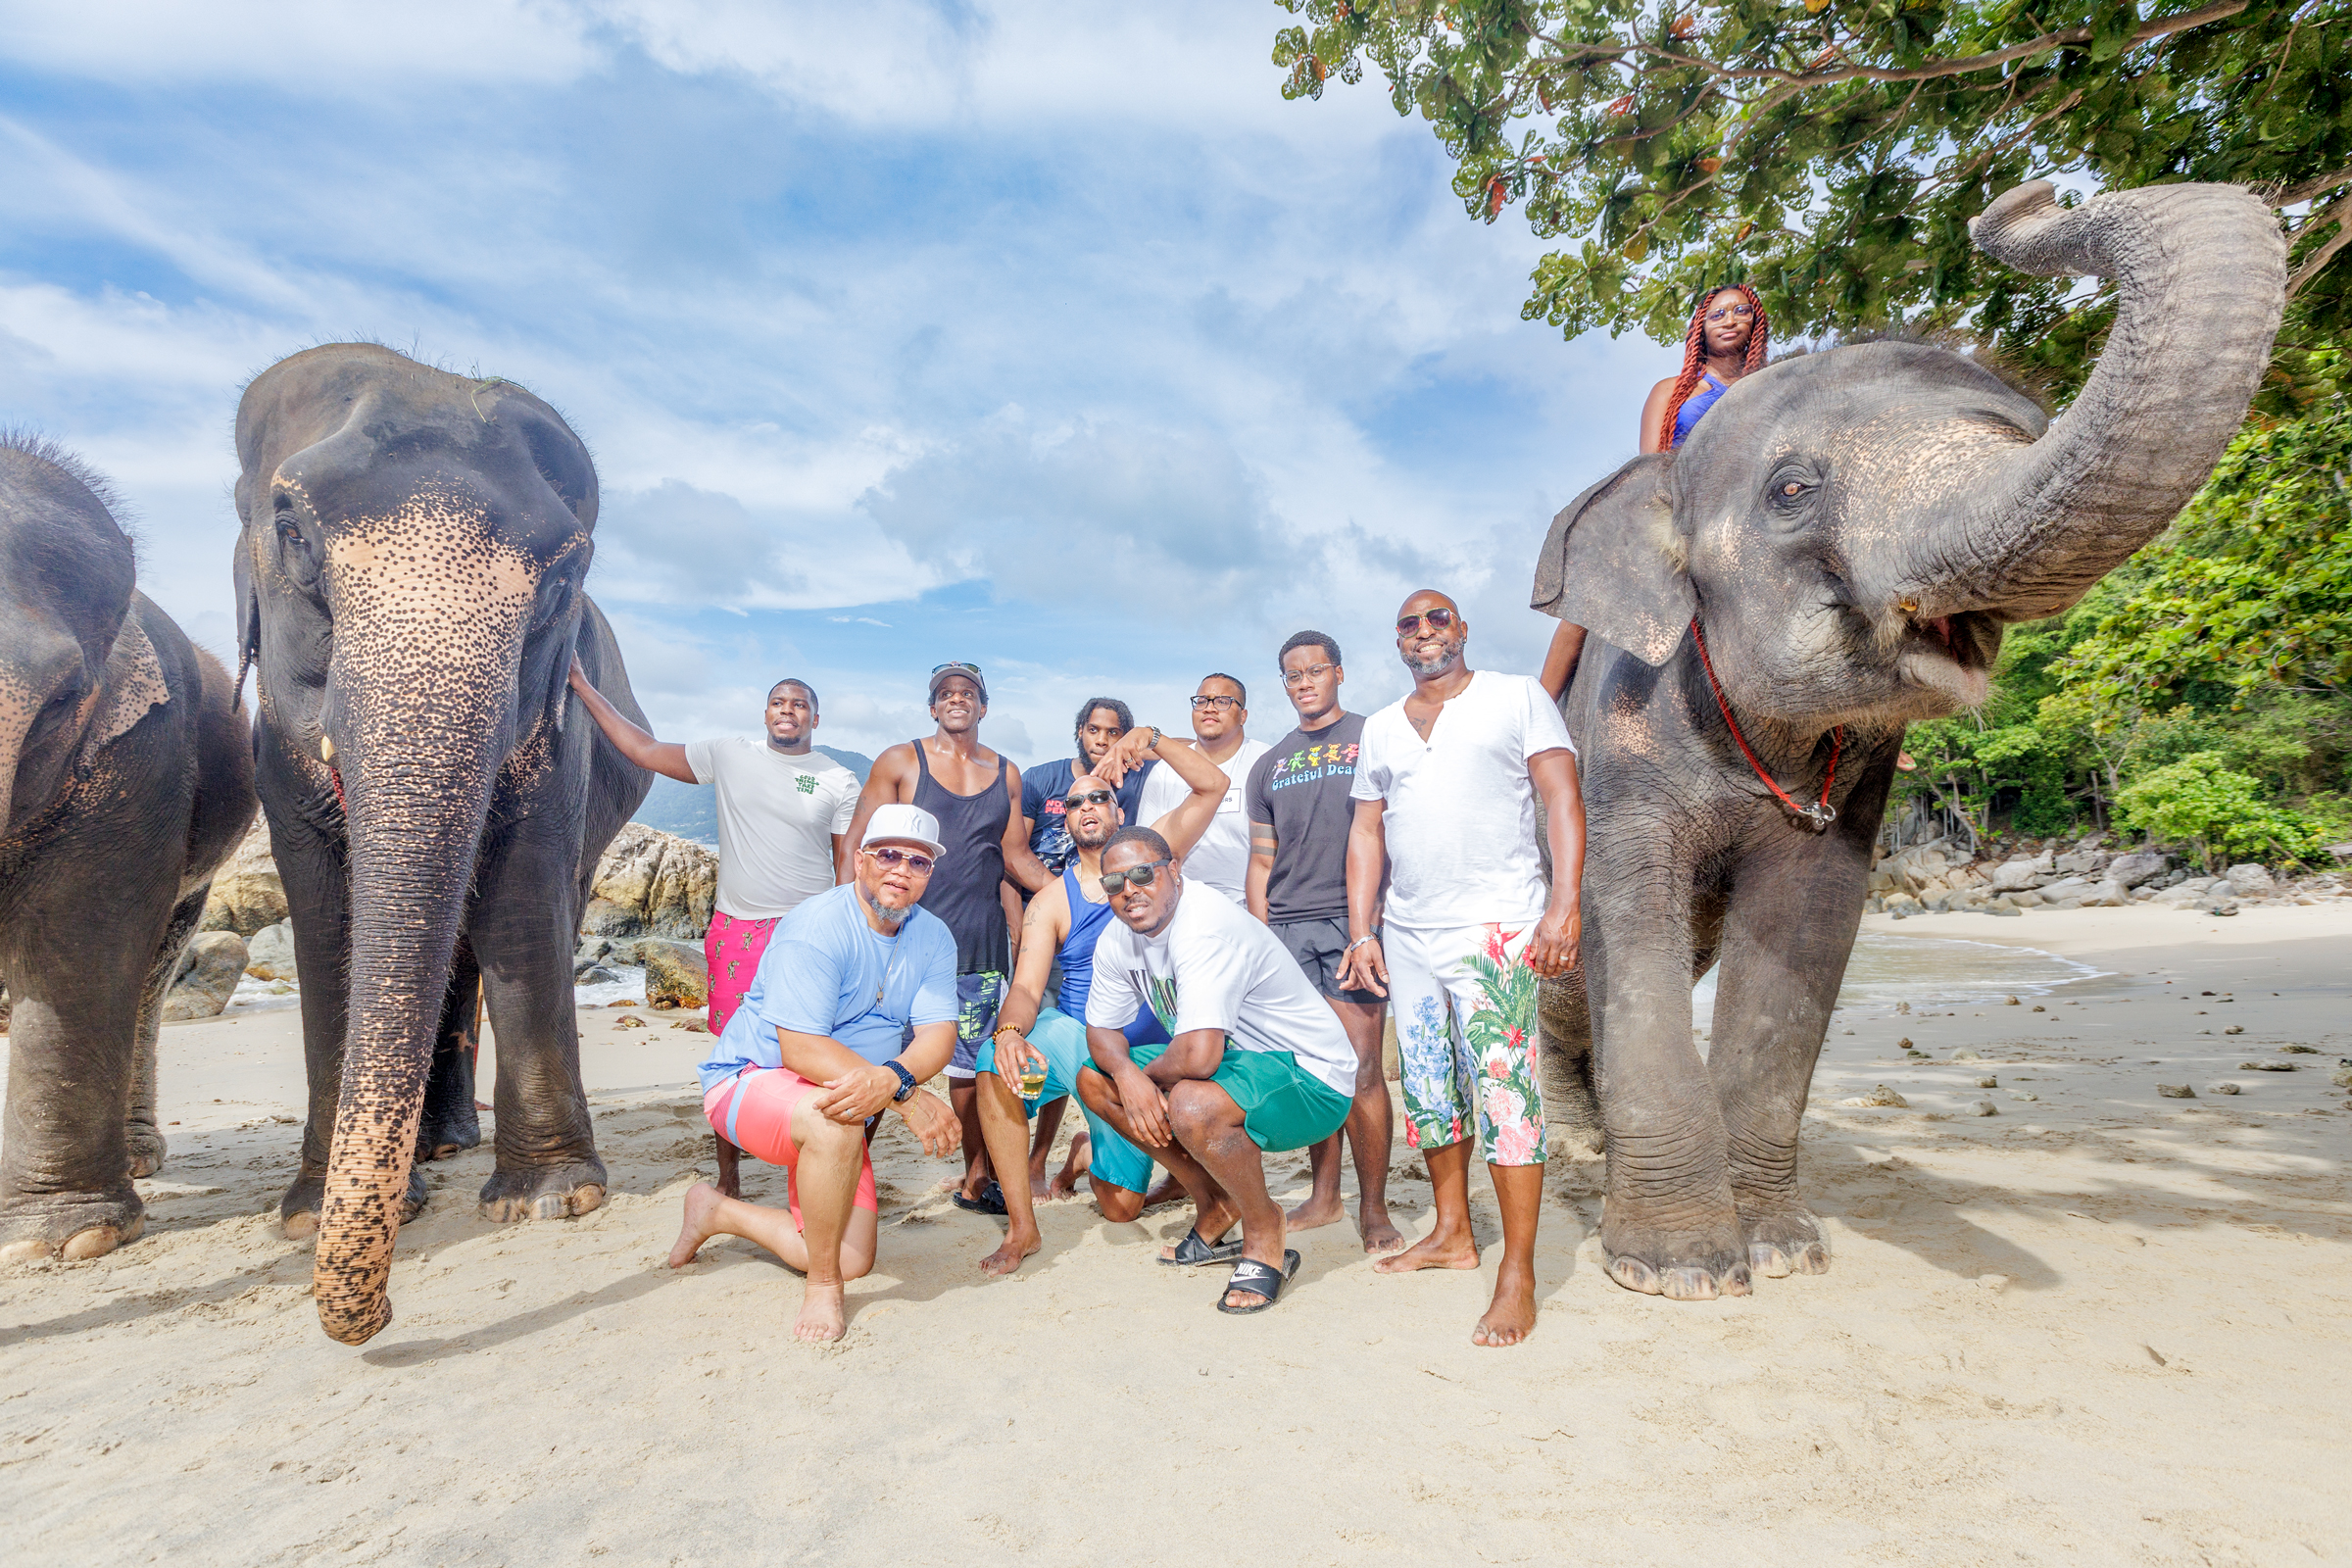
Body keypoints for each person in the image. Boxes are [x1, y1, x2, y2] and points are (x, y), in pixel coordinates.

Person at [1342, 589, 1587, 1348]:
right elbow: (1366, 833)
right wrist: (1363, 930)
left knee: (1507, 1096)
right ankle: (1452, 1232)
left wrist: (1563, 905)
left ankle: (1518, 1272)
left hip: (1496, 927)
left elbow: (1562, 799)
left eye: (1437, 618)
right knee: (1428, 1087)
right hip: (1408, 934)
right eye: (1408, 623)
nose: (1423, 631)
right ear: (1398, 642)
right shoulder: (1382, 727)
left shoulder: (1516, 698)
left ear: (1463, 629)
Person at [668, 804, 963, 1343]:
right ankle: (824, 1287)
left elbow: (939, 1032)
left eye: (918, 862)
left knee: (854, 1257)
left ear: (930, 875)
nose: (901, 870)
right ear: (860, 859)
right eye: (888, 855)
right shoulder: (817, 925)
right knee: (836, 1121)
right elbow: (800, 1048)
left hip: (847, 1091)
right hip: (751, 1078)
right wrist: (905, 1095)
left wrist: (894, 1079)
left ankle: (717, 1212)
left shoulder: (934, 936)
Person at [567, 662, 858, 1196]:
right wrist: (585, 688)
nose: (788, 710)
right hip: (737, 929)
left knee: (813, 1047)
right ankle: (729, 1177)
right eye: (778, 702)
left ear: (815, 718)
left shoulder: (838, 778)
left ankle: (809, 1172)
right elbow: (645, 750)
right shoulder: (729, 753)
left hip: (808, 933)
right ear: (765, 713)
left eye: (799, 704)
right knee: (732, 1053)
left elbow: (846, 866)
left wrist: (846, 930)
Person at [971, 720, 1232, 1275]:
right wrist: (1010, 1034)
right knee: (994, 1062)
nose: (1087, 806)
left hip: (1154, 1057)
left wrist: (1152, 739)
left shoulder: (1148, 858)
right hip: (1079, 1047)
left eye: (1099, 797)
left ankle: (1084, 1153)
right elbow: (1026, 988)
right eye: (1074, 803)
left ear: (1119, 810)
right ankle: (1022, 1228)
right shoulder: (1052, 900)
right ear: (1065, 821)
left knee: (1120, 1208)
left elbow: (1212, 785)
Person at [1077, 826, 1357, 1312]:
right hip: (1238, 1066)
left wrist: (1147, 1082)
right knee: (1095, 1079)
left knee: (1191, 1103)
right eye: (1115, 882)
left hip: (1310, 1079)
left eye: (1142, 874)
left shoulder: (1204, 925)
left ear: (1174, 870)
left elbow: (1199, 1057)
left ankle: (1264, 1228)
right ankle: (1216, 1202)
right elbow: (1100, 1033)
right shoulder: (1119, 938)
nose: (1129, 890)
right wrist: (1126, 1075)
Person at [847, 662, 1050, 1215]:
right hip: (898, 943)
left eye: (967, 692)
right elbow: (858, 844)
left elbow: (1015, 856)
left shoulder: (1007, 773)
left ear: (983, 706)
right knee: (873, 1058)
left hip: (978, 944)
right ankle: (846, 1175)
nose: (956, 698)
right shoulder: (900, 761)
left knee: (969, 1068)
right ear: (932, 706)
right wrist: (851, 924)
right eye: (945, 692)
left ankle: (976, 1179)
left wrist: (1076, 893)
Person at [1244, 631, 1400, 1254]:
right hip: (1286, 928)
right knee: (1313, 1066)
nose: (1304, 682)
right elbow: (1262, 861)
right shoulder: (1269, 764)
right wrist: (1260, 939)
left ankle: (1375, 1209)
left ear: (1338, 673)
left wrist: (1373, 920)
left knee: (1362, 1068)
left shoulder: (1373, 736)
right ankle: (1325, 1196)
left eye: (1315, 670)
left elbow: (1390, 829)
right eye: (1293, 674)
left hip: (1351, 923)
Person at [1541, 282, 1771, 704]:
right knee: (1592, 597)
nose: (1729, 320)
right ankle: (1541, 706)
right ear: (1700, 328)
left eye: (1740, 311)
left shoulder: (1770, 389)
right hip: (1678, 510)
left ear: (1755, 322)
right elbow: (1649, 464)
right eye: (1717, 314)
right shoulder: (1672, 390)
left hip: (1752, 509)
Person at [1134, 673, 1269, 905]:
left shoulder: (1265, 761)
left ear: (1243, 715)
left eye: (1223, 701)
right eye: (1201, 701)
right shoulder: (1163, 772)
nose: (1209, 708)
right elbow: (1144, 850)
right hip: (1179, 908)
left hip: (1250, 906)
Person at [1021, 697, 1155, 874]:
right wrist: (1066, 890)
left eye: (1113, 733)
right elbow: (1015, 855)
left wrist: (1143, 743)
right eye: (1093, 730)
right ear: (1080, 731)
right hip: (1044, 889)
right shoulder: (1039, 779)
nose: (1101, 740)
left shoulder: (1136, 778)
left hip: (1111, 889)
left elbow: (1188, 748)